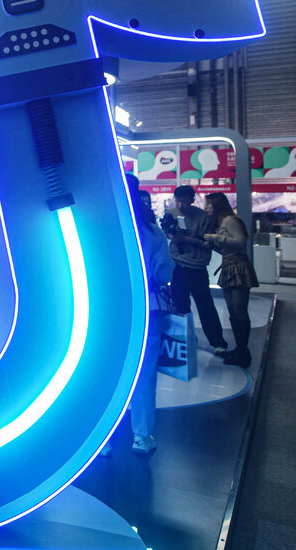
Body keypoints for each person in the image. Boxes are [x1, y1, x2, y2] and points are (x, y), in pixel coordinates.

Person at [127, 182, 173, 455]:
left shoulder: (103, 230)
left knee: (110, 375)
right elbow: (164, 274)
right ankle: (141, 437)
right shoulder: (153, 233)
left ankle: (104, 441)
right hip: (148, 309)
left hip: (112, 313)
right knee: (144, 375)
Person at [162, 185, 228, 354]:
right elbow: (166, 231)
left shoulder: (202, 217)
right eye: (177, 201)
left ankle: (218, 342)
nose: (180, 205)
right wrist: (171, 235)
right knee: (180, 306)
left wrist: (185, 238)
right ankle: (187, 341)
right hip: (178, 266)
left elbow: (207, 242)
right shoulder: (171, 213)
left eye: (184, 201)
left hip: (197, 267)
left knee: (205, 306)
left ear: (192, 200)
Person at [203, 192, 258, 367]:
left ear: (217, 205)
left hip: (238, 266)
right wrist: (213, 244)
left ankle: (243, 351)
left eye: (208, 204)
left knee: (239, 311)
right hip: (229, 265)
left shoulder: (230, 221)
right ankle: (240, 349)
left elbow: (241, 242)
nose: (206, 208)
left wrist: (216, 238)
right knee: (233, 311)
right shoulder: (222, 222)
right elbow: (227, 247)